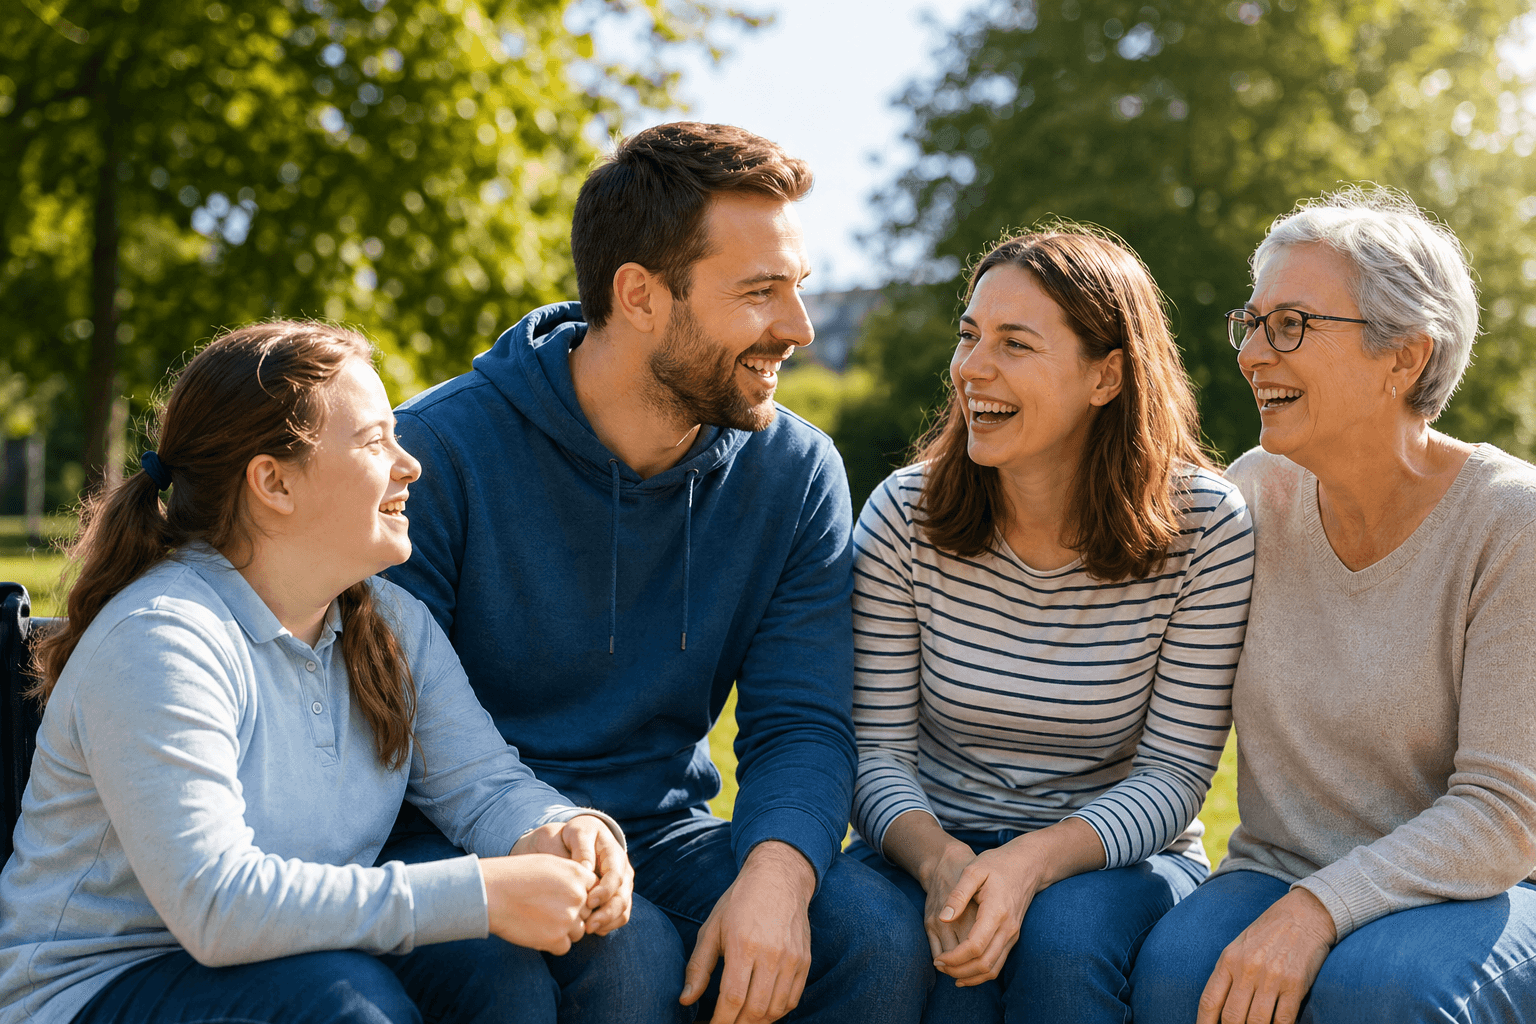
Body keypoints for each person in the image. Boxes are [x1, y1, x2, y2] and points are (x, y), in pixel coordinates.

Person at [385, 121, 928, 1024]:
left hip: (665, 833)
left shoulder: (794, 471)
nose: (795, 328)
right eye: (759, 293)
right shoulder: (434, 454)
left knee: (873, 934)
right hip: (458, 832)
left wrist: (778, 872)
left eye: (798, 288)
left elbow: (800, 719)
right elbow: (399, 728)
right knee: (625, 961)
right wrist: (542, 840)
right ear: (639, 295)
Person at [0, 321, 668, 1024]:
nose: (409, 466)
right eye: (376, 440)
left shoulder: (389, 622)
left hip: (289, 956)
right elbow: (216, 904)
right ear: (274, 482)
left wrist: (558, 830)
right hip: (97, 987)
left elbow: (483, 787)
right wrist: (483, 894)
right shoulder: (162, 638)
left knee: (497, 972)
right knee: (349, 1008)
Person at [1131, 187, 1536, 1023]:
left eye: (1292, 325)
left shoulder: (1510, 520)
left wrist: (1318, 912)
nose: (1252, 354)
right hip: (1277, 867)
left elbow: (1505, 814)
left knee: (1381, 991)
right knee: (1177, 976)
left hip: (1483, 886)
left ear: (1405, 357)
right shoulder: (1251, 497)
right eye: (1253, 323)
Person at [846, 225, 1255, 1024]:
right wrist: (941, 864)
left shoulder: (1205, 527)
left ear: (1105, 375)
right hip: (931, 837)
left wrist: (1031, 862)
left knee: (1064, 948)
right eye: (969, 337)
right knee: (871, 940)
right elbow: (877, 752)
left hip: (1116, 855)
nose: (972, 369)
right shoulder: (905, 512)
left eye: (1015, 343)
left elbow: (1173, 777)